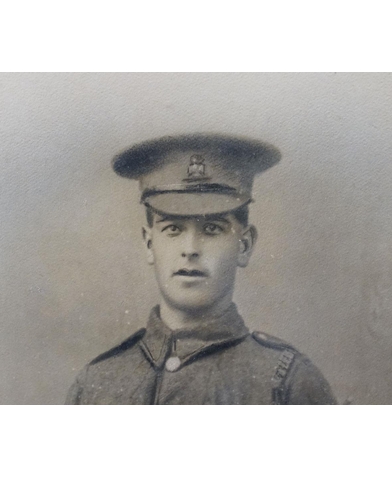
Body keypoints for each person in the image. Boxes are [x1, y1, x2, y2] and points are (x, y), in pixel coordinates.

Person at [66, 133, 336, 405]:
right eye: (173, 228)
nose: (191, 249)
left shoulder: (287, 382)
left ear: (244, 246)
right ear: (149, 244)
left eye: (212, 228)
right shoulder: (96, 383)